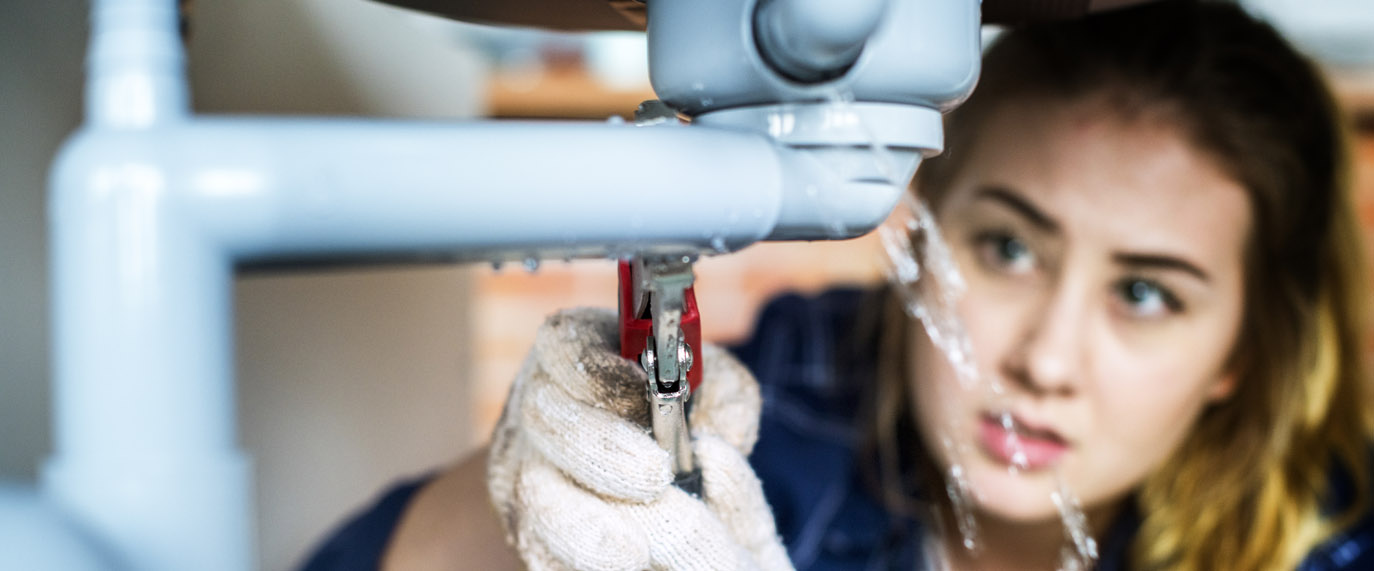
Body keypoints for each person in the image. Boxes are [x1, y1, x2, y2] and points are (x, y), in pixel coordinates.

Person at [300, 1, 1374, 569]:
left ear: (1241, 351)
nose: (1043, 360)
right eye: (1007, 248)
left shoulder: (1331, 543)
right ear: (924, 226)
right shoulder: (799, 398)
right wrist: (531, 493)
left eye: (1146, 295)